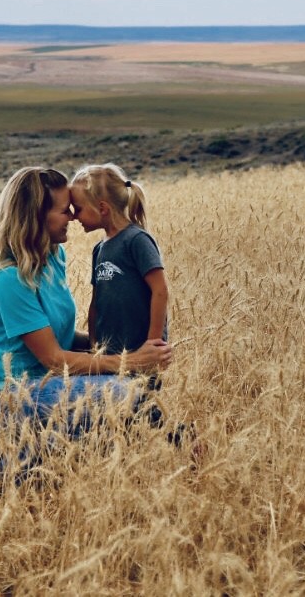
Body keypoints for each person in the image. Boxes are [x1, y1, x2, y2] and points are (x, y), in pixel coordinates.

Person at [0, 166, 172, 476]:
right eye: (65, 210)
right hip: (1, 396)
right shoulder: (9, 277)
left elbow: (58, 337)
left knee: (122, 400)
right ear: (37, 217)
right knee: (120, 393)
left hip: (45, 385)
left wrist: (120, 344)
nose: (73, 217)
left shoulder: (52, 257)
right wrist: (131, 360)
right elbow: (53, 358)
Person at [70, 163, 193, 447]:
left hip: (140, 349)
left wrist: (153, 343)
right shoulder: (100, 249)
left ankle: (185, 440)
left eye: (78, 209)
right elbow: (97, 300)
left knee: (144, 408)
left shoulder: (137, 240)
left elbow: (160, 289)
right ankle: (144, 454)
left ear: (102, 208)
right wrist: (95, 345)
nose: (74, 216)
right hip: (111, 351)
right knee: (120, 416)